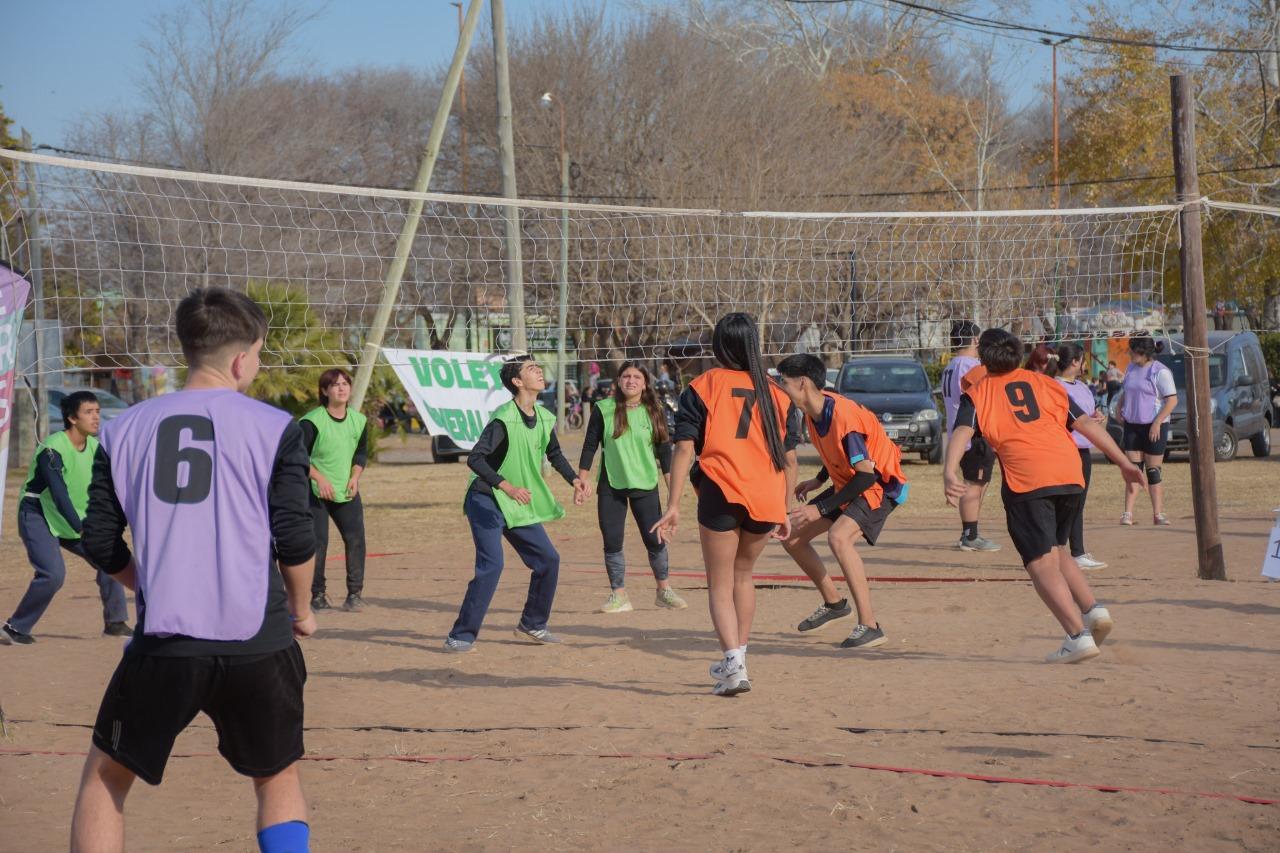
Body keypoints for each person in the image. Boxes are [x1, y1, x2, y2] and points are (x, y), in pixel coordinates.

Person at [71, 288, 318, 853]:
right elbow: (296, 539)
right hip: (257, 637)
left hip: (166, 642)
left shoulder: (122, 429)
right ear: (242, 359)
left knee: (105, 778)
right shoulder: (275, 426)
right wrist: (302, 611)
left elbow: (99, 541)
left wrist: (146, 583)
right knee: (277, 778)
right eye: (260, 355)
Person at [944, 328, 1144, 664]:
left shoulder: (978, 392)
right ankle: (1093, 610)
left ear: (983, 358)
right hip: (1070, 474)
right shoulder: (1045, 383)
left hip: (1028, 480)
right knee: (1055, 549)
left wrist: (950, 471)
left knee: (1040, 562)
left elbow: (962, 430)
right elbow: (1085, 424)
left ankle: (1077, 636)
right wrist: (1123, 462)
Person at [651, 313, 796, 697]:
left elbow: (684, 448)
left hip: (722, 491)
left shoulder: (704, 385)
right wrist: (783, 508)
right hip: (766, 496)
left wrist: (673, 504)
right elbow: (790, 458)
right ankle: (738, 662)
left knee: (720, 582)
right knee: (743, 577)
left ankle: (733, 662)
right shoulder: (777, 392)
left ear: (718, 346)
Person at [444, 356, 591, 652]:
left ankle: (532, 624)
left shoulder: (544, 417)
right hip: (486, 498)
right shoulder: (504, 418)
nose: (538, 371)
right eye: (531, 369)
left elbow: (554, 454)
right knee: (492, 565)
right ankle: (460, 635)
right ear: (517, 381)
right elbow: (475, 459)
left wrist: (574, 479)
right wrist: (507, 486)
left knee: (548, 559)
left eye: (538, 366)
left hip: (515, 501)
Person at [777, 354, 907, 649]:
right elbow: (841, 451)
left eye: (784, 382)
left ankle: (870, 626)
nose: (781, 388)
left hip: (881, 484)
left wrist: (820, 508)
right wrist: (819, 480)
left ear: (802, 383)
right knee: (792, 536)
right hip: (851, 482)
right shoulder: (812, 412)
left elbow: (866, 474)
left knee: (839, 538)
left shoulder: (843, 417)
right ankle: (835, 604)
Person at [1, 392, 130, 645]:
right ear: (72, 418)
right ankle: (15, 628)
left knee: (110, 559)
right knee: (52, 574)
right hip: (38, 514)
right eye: (89, 412)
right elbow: (59, 494)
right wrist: (82, 529)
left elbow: (112, 487)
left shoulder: (95, 447)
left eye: (97, 411)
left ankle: (115, 623)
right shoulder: (53, 448)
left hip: (73, 517)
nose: (96, 417)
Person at [578, 362, 686, 613]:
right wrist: (582, 479)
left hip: (644, 483)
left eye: (637, 377)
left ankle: (664, 591)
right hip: (611, 485)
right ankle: (619, 595)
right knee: (612, 540)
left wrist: (673, 496)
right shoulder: (603, 409)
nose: (631, 381)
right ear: (618, 381)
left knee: (654, 539)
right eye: (626, 376)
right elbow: (590, 445)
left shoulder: (654, 410)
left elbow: (665, 453)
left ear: (645, 383)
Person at [300, 368, 369, 613]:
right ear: (324, 390)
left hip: (345, 489)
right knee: (318, 543)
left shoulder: (358, 421)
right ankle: (317, 596)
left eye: (345, 384)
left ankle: (354, 595)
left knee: (356, 539)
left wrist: (355, 477)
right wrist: (319, 478)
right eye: (335, 385)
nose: (341, 388)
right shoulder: (311, 422)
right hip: (315, 491)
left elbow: (360, 453)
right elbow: (298, 456)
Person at [940, 320, 1001, 552]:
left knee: (976, 482)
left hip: (959, 433)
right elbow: (988, 395)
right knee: (974, 484)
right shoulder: (972, 366)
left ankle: (970, 532)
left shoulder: (951, 365)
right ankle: (970, 536)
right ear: (976, 339)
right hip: (973, 433)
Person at [1053, 344, 1107, 570]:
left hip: (1083, 450)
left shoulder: (1083, 386)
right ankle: (1061, 550)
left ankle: (1076, 551)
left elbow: (1087, 414)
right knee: (1067, 502)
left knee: (1078, 502)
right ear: (1075, 362)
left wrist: (1096, 416)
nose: (1085, 364)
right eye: (1082, 360)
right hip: (1065, 450)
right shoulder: (1055, 386)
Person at [1113, 333, 1177, 526]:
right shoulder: (1131, 368)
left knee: (1153, 471)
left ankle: (1158, 514)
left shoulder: (1160, 371)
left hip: (1154, 426)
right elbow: (1127, 391)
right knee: (1133, 471)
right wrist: (1119, 407)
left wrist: (1157, 422)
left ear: (1144, 352)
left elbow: (1172, 400)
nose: (1130, 354)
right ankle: (1127, 514)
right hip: (1132, 425)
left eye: (1133, 351)